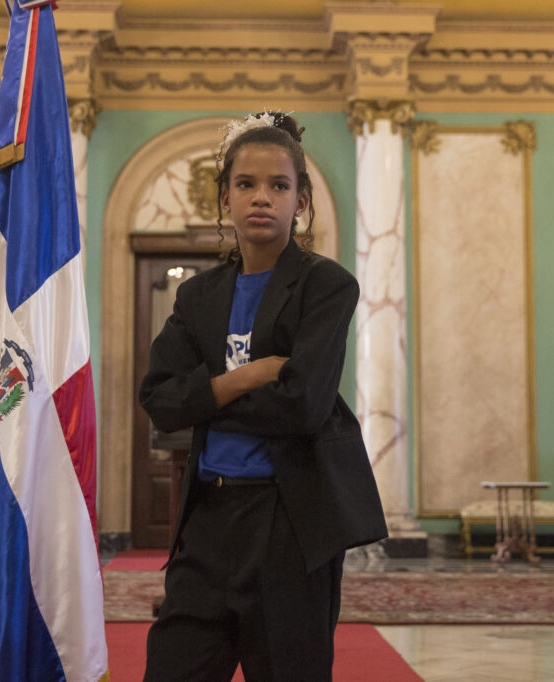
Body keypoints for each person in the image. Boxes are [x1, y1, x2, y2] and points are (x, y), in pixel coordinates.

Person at [139, 111, 387, 682]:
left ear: (300, 201)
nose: (262, 198)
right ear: (224, 197)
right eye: (246, 184)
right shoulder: (198, 297)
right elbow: (159, 399)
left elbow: (303, 406)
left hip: (288, 523)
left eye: (280, 185)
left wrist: (205, 393)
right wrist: (244, 378)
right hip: (206, 522)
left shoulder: (327, 286)